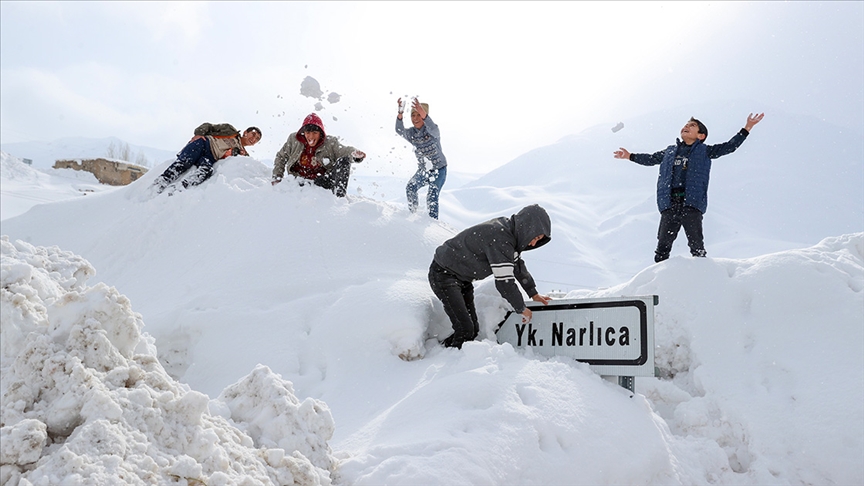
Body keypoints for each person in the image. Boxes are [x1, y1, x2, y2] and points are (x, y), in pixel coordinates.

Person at [613, 113, 764, 262]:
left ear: (701, 136)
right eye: (686, 124)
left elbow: (730, 147)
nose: (686, 126)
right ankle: (661, 279)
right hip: (669, 203)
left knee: (696, 245)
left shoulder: (705, 151)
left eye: (692, 126)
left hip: (691, 203)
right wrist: (630, 156)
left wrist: (747, 128)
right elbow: (651, 158)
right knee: (662, 246)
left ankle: (701, 274)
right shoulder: (669, 151)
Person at [429, 204, 553, 349]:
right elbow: (505, 282)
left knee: (472, 330)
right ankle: (445, 360)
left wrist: (534, 293)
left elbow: (517, 267)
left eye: (538, 240)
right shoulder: (501, 238)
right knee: (465, 330)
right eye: (536, 237)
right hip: (444, 275)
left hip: (463, 279)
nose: (533, 243)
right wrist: (520, 307)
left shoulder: (509, 235)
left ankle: (445, 350)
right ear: (528, 227)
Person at [271, 113, 366, 197]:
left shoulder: (330, 142)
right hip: (299, 182)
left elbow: (344, 150)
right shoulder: (294, 140)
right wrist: (277, 176)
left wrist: (354, 153)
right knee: (299, 182)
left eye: (315, 133)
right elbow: (281, 156)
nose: (311, 137)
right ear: (303, 133)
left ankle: (338, 198)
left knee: (344, 160)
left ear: (320, 134)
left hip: (322, 182)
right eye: (308, 133)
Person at [151, 123, 262, 194]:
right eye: (253, 134)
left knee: (207, 170)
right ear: (245, 133)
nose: (254, 139)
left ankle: (180, 188)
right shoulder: (230, 130)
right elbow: (208, 126)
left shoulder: (244, 157)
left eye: (257, 139)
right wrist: (199, 134)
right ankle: (161, 182)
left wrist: (239, 153)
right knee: (185, 162)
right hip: (204, 143)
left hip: (210, 157)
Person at [395, 98, 447, 219]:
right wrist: (400, 113)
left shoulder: (433, 131)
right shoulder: (411, 133)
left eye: (419, 115)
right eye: (413, 115)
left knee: (432, 195)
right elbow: (399, 130)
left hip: (439, 170)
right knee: (410, 188)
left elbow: (431, 125)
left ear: (425, 117)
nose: (416, 118)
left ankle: (432, 224)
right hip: (423, 171)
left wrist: (423, 113)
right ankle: (413, 214)